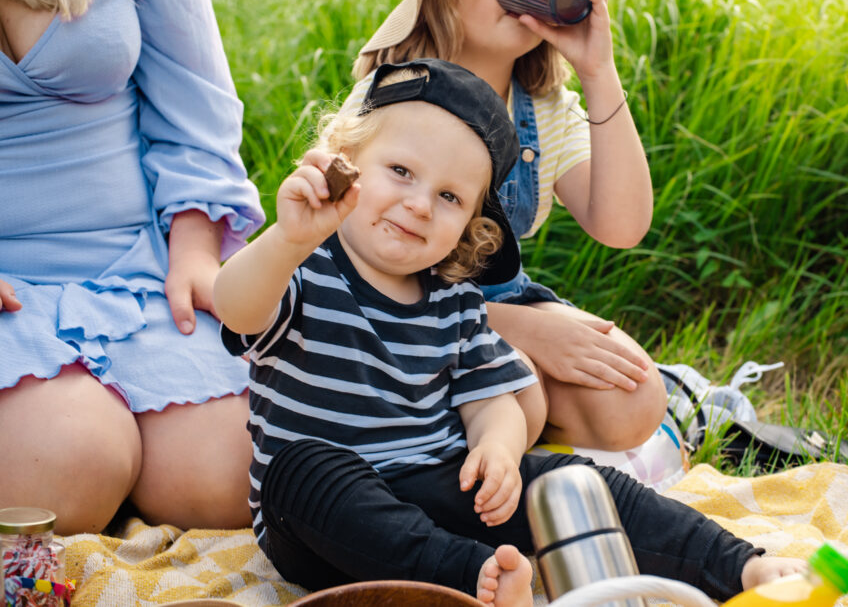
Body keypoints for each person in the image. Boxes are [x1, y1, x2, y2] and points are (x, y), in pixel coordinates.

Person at [215, 59, 805, 606]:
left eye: (449, 197)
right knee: (303, 471)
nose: (420, 205)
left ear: (471, 224)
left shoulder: (454, 300)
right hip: (323, 523)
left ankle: (739, 566)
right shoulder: (304, 266)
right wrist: (287, 239)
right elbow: (237, 308)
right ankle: (473, 575)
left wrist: (497, 447)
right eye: (400, 172)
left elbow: (490, 395)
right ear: (345, 163)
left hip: (441, 486)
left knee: (574, 481)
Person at [344, 0, 668, 454]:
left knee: (633, 395)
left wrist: (597, 69)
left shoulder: (542, 107)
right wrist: (523, 329)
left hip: (497, 303)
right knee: (518, 390)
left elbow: (622, 226)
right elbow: (343, 262)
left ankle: (489, 438)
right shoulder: (392, 96)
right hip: (385, 315)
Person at [0, 0, 265, 534]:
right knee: (67, 467)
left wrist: (195, 249)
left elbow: (194, 100)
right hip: (9, 290)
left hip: (132, 273)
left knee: (236, 478)